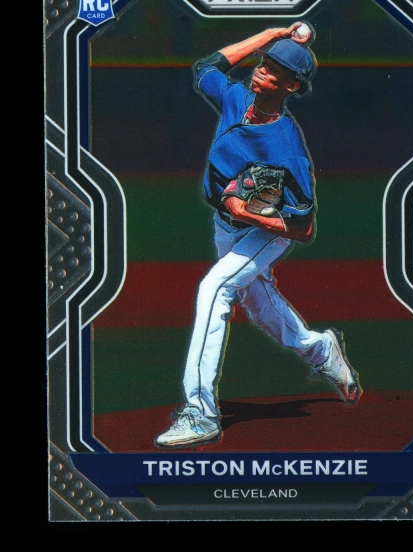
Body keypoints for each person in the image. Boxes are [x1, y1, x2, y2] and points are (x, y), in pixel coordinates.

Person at [155, 23, 362, 448]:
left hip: (268, 232)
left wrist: (247, 214)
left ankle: (200, 413)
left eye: (274, 70)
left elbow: (303, 228)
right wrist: (268, 36)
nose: (262, 69)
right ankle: (321, 350)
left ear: (291, 86)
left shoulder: (287, 145)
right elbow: (206, 66)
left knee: (215, 288)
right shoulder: (236, 99)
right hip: (227, 224)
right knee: (258, 301)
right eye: (264, 62)